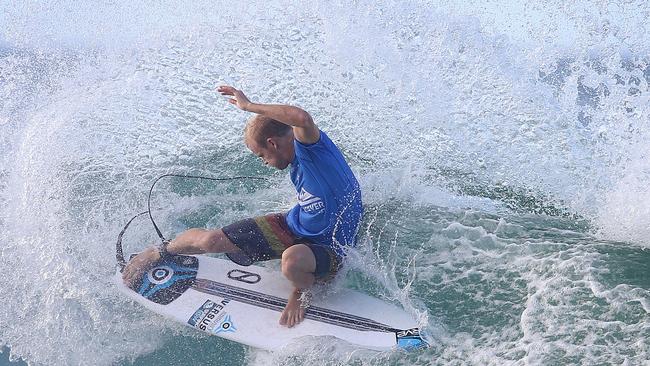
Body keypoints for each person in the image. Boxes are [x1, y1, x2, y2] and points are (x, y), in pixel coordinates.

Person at [122, 85, 363, 328]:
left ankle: (301, 291)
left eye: (261, 155)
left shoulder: (312, 152)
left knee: (291, 262)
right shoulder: (295, 163)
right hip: (294, 225)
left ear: (272, 143)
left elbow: (301, 118)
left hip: (331, 246)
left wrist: (248, 107)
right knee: (210, 242)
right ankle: (160, 250)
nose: (264, 163)